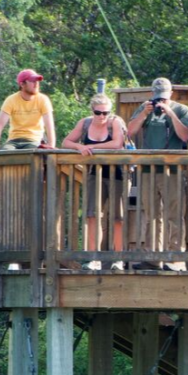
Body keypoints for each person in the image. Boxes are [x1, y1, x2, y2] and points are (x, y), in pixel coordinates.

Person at [127, 78, 188, 271]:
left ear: (171, 94)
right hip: (148, 168)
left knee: (175, 213)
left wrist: (171, 113)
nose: (161, 102)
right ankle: (152, 256)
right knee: (151, 214)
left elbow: (184, 136)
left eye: (164, 98)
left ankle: (176, 258)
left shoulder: (181, 110)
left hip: (172, 169)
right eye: (158, 98)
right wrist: (143, 114)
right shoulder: (145, 108)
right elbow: (130, 132)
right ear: (152, 95)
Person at [62, 93, 129, 271]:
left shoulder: (115, 122)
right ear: (92, 111)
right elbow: (66, 141)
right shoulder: (85, 123)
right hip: (94, 173)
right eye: (98, 113)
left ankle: (118, 258)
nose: (102, 116)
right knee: (92, 215)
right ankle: (92, 257)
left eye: (105, 112)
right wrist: (80, 147)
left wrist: (92, 147)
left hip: (118, 174)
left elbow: (117, 143)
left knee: (117, 217)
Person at [0, 69, 57, 150]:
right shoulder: (11, 100)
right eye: (32, 81)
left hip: (33, 141)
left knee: (32, 153)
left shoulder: (43, 99)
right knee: (6, 154)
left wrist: (52, 147)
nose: (36, 84)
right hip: (13, 141)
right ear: (22, 84)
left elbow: (50, 126)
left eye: (37, 81)